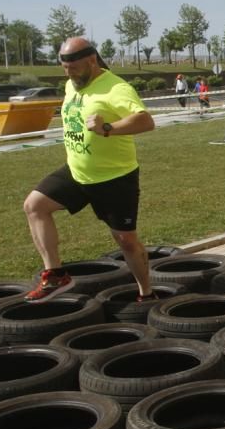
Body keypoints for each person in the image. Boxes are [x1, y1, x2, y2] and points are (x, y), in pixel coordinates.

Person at [22, 37, 157, 303]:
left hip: (114, 177)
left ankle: (147, 293)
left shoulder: (115, 88)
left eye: (73, 67)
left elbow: (145, 121)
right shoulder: (71, 85)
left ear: (92, 60)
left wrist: (109, 128)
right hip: (77, 170)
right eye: (63, 67)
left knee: (126, 241)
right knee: (34, 205)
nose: (68, 73)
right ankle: (55, 275)